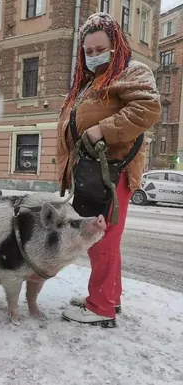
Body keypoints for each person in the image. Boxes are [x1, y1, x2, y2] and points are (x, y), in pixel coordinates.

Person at [57, 12, 161, 326]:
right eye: (87, 51)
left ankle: (100, 307)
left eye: (99, 48)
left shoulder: (130, 71)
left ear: (115, 45)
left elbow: (148, 107)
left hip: (111, 172)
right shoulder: (93, 81)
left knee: (100, 239)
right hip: (94, 172)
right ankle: (109, 298)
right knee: (105, 239)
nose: (93, 55)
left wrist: (103, 129)